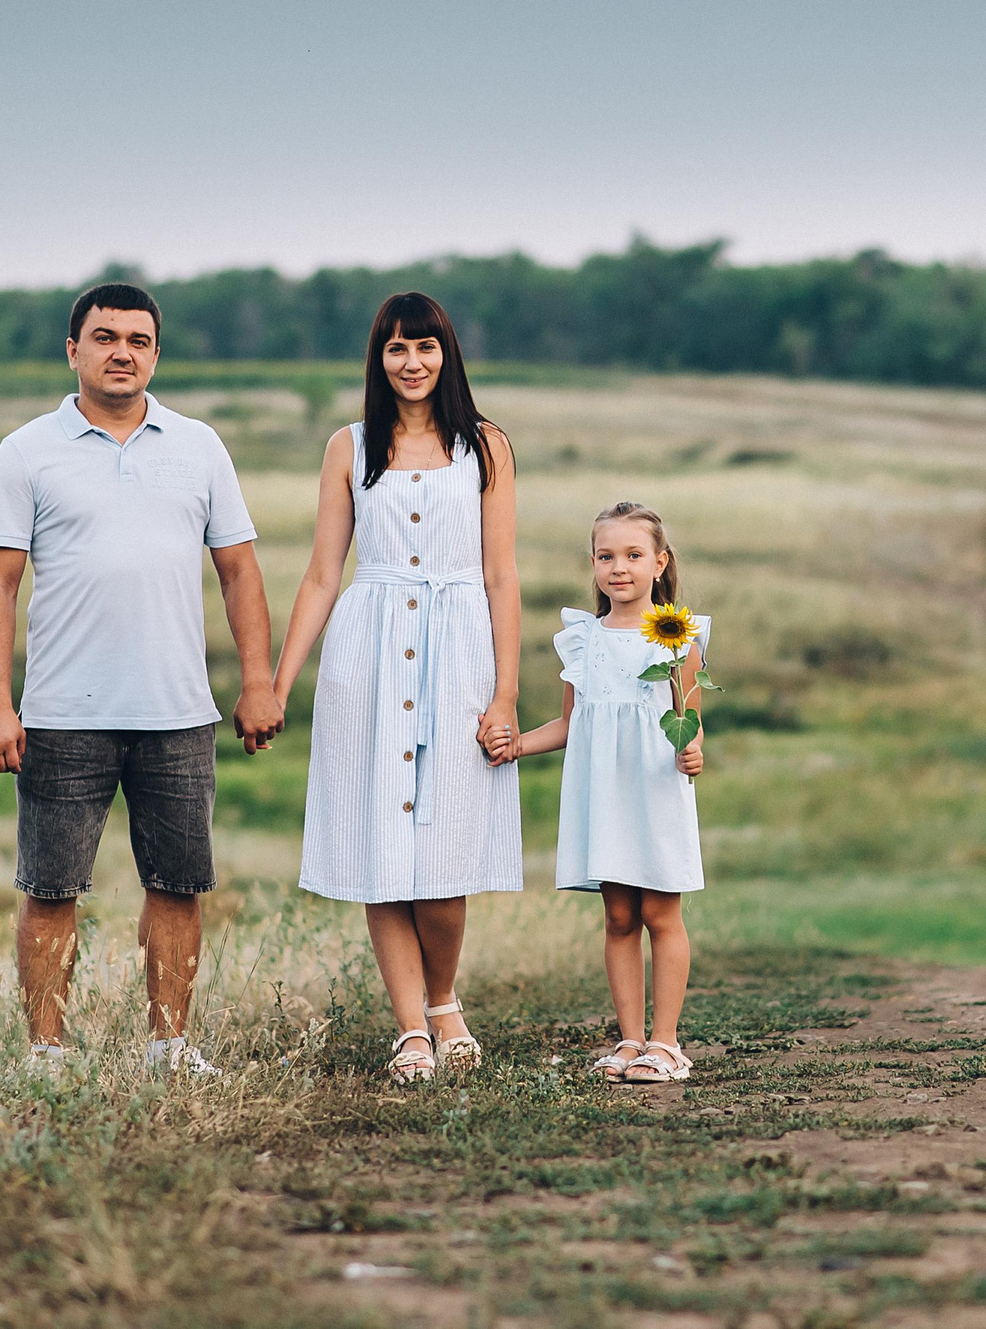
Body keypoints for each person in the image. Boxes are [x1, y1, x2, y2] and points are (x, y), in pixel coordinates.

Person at [0, 282, 283, 1076]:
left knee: (178, 884)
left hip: (177, 709)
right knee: (50, 889)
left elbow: (240, 572)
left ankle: (169, 1046)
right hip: (62, 711)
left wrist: (258, 682)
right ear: (72, 350)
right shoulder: (26, 451)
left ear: (156, 354)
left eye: (138, 341)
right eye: (104, 338)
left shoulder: (198, 446)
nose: (122, 352)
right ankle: (48, 1051)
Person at [272, 292, 522, 1083]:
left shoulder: (485, 446)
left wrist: (507, 693)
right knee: (382, 846)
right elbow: (321, 575)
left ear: (448, 355)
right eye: (395, 350)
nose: (411, 363)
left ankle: (443, 999)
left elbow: (502, 576)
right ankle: (411, 1027)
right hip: (368, 656)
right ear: (377, 361)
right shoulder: (350, 447)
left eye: (425, 347)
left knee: (445, 849)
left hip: (459, 656)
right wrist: (278, 685)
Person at [496, 501, 708, 1086]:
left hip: (656, 788)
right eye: (606, 556)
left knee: (660, 913)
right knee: (619, 915)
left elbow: (688, 721)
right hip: (604, 793)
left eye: (634, 556)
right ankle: (630, 1039)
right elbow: (571, 724)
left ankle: (666, 1043)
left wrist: (694, 751)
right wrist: (516, 745)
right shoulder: (583, 640)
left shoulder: (676, 638)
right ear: (592, 564)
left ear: (660, 564)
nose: (620, 568)